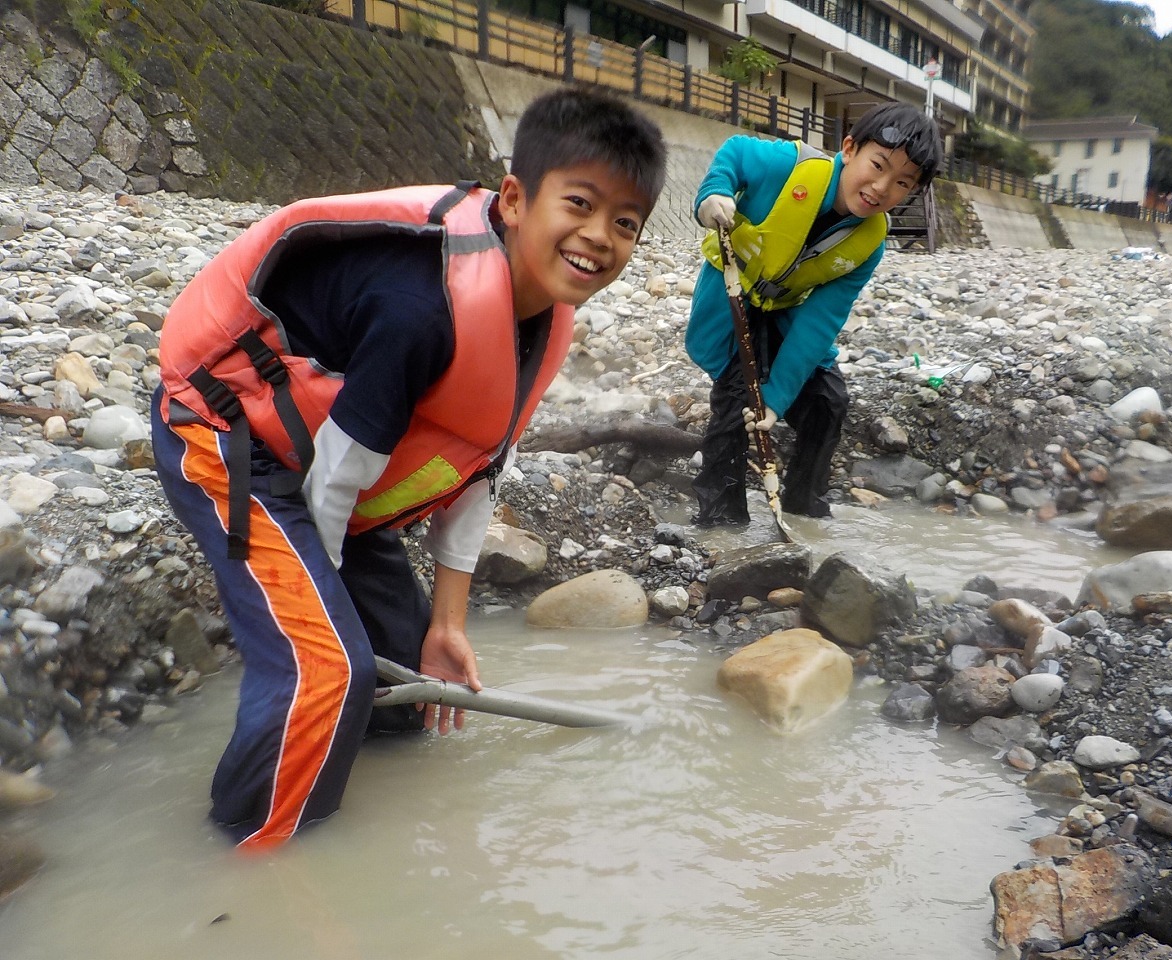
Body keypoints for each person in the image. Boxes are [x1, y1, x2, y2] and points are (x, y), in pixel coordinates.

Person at [150, 86, 667, 850]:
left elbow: (481, 466)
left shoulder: (538, 316)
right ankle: (247, 858)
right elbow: (333, 479)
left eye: (625, 223)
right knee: (325, 670)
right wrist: (320, 616)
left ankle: (362, 792)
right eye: (581, 205)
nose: (599, 237)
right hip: (228, 436)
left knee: (404, 663)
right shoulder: (419, 308)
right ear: (518, 199)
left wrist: (449, 625)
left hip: (325, 456)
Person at [685, 102, 941, 524]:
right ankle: (720, 519)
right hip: (734, 300)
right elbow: (734, 152)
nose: (880, 187)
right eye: (877, 165)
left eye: (901, 183)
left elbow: (820, 321)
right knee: (738, 398)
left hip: (785, 309)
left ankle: (804, 507)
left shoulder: (869, 243)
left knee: (828, 401)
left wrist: (778, 398)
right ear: (848, 148)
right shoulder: (789, 165)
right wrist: (714, 193)